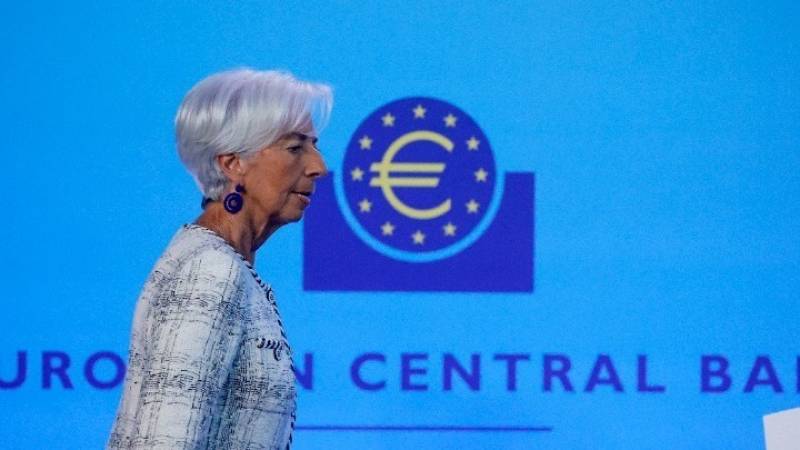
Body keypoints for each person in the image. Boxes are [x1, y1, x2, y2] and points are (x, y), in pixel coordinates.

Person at [106, 68, 332, 449]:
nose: (319, 166)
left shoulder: (222, 262)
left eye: (314, 145)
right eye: (295, 148)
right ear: (232, 164)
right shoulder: (210, 270)